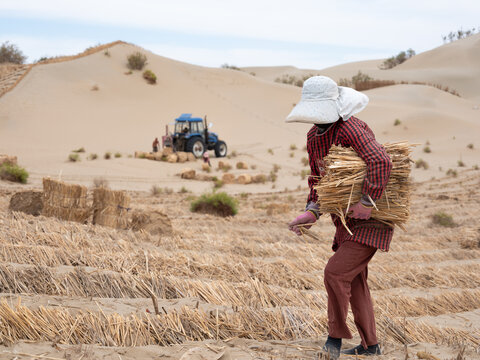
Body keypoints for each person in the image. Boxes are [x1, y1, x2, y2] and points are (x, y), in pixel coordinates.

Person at [286, 76, 393, 358]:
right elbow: (318, 180)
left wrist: (367, 200)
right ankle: (371, 346)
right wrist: (311, 212)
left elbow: (381, 160)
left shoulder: (351, 129)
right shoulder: (313, 137)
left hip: (371, 221)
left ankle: (334, 338)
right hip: (344, 223)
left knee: (334, 272)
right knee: (355, 280)